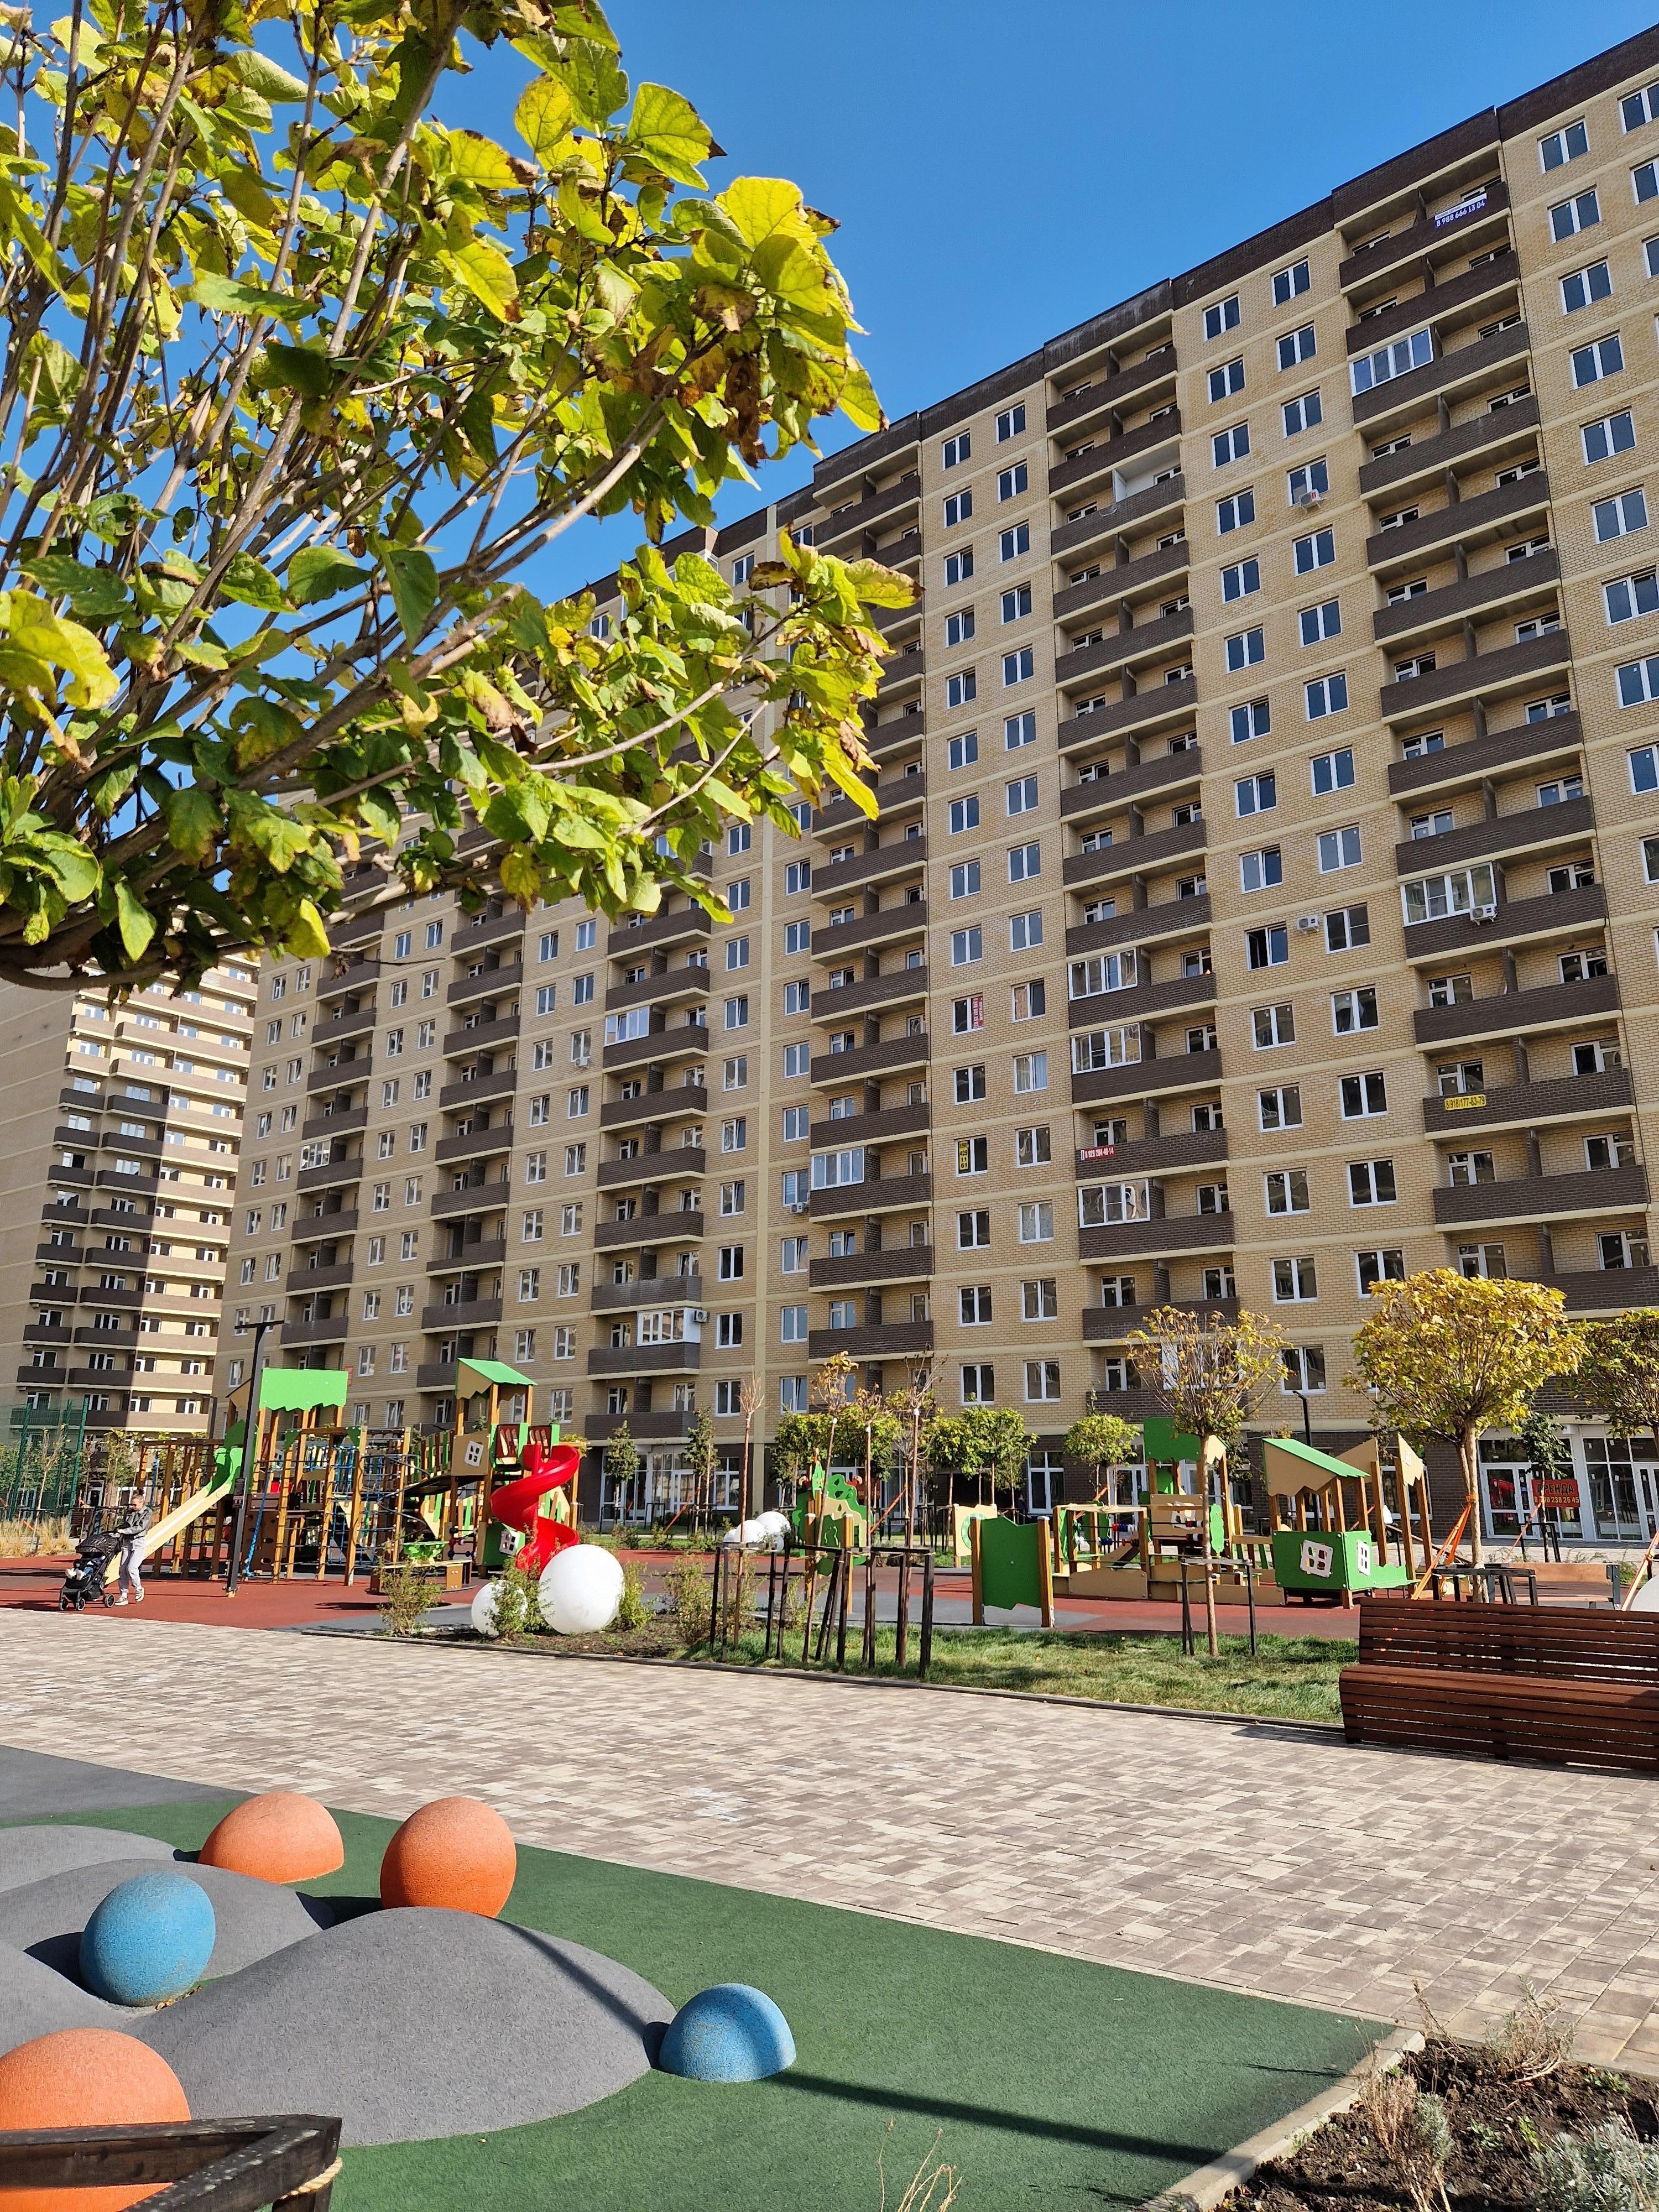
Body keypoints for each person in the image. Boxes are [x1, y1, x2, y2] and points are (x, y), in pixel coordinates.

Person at [114, 1485, 154, 1606]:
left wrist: (125, 1531)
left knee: (132, 1568)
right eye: (131, 1504)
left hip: (138, 1542)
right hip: (127, 1542)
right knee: (122, 1570)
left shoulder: (147, 1512)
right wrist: (118, 1529)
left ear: (142, 1503)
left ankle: (138, 1588)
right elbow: (125, 1524)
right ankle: (123, 1595)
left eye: (135, 1505)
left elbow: (140, 1527)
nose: (132, 1507)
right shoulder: (130, 1512)